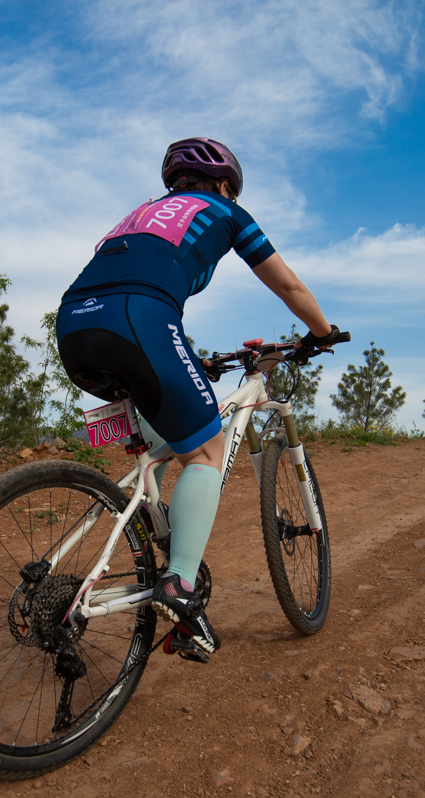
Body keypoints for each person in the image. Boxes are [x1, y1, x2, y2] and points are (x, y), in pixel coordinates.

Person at [56, 137, 339, 659]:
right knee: (206, 451)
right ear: (226, 184)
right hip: (140, 322)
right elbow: (290, 287)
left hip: (75, 326)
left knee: (160, 436)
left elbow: (130, 284)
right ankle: (179, 586)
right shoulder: (224, 211)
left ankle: (148, 530)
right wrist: (321, 332)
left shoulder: (137, 215)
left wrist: (187, 356)